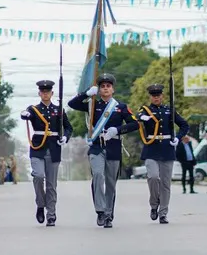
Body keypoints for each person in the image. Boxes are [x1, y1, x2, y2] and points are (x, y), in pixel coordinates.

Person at [68, 73, 139, 228]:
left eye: (108, 86)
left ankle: (108, 213)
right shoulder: (92, 104)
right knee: (98, 175)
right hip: (96, 147)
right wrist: (86, 94)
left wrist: (117, 130)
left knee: (111, 183)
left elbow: (135, 124)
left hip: (113, 147)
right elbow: (72, 104)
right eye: (102, 86)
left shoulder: (121, 107)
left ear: (113, 89)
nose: (105, 89)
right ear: (99, 90)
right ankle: (100, 211)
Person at [20, 80, 73, 226]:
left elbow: (68, 128)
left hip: (54, 148)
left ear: (52, 93)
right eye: (42, 92)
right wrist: (24, 114)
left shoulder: (59, 110)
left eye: (47, 91)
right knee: (38, 176)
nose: (45, 94)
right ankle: (40, 204)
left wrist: (65, 137)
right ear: (39, 93)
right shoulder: (34, 109)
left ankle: (51, 214)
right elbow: (26, 116)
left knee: (51, 185)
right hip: (38, 148)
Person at [135, 83, 189, 224]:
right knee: (153, 177)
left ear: (162, 96)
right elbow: (137, 116)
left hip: (167, 148)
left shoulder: (169, 110)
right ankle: (154, 204)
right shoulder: (145, 110)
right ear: (150, 97)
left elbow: (184, 125)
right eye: (154, 96)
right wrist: (143, 118)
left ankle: (163, 212)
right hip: (151, 149)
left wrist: (178, 138)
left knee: (165, 183)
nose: (156, 98)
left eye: (158, 95)